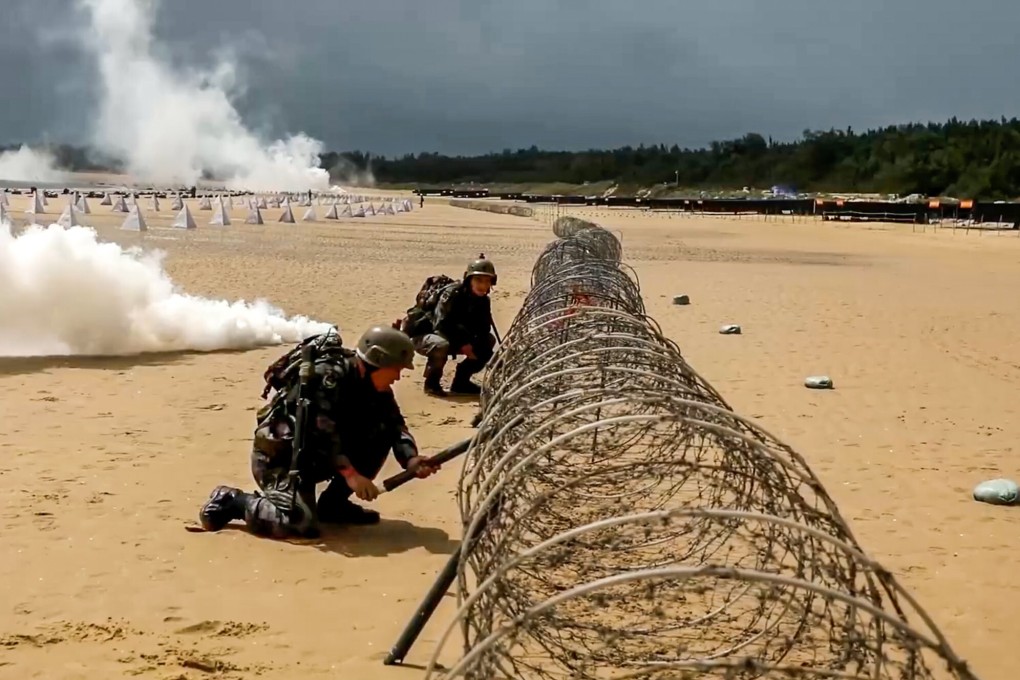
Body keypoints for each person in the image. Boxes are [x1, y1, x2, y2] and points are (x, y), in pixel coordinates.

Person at [198, 325, 439, 539]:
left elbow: (395, 426)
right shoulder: (328, 378)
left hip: (318, 456)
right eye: (396, 369)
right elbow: (322, 432)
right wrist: (352, 475)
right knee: (299, 524)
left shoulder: (377, 388)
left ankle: (333, 506)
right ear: (377, 361)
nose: (398, 377)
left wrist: (411, 459)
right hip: (281, 457)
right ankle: (233, 501)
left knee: (380, 433)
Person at [411, 256, 497, 397]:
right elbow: (442, 325)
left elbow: (483, 328)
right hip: (426, 335)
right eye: (479, 280)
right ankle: (431, 384)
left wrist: (481, 350)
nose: (483, 285)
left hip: (455, 337)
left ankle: (461, 382)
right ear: (469, 280)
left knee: (488, 340)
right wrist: (463, 344)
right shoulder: (452, 294)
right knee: (440, 344)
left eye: (487, 281)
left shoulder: (483, 301)